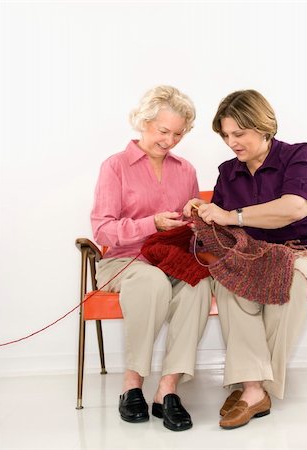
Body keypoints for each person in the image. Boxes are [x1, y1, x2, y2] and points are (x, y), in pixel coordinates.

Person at [184, 89, 307, 430]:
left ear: (263, 127)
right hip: (258, 257)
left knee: (290, 275)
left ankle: (251, 387)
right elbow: (221, 228)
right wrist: (200, 211)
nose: (232, 142)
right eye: (226, 135)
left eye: (239, 133)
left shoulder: (298, 156)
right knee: (231, 282)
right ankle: (253, 387)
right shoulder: (228, 171)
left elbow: (295, 208)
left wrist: (233, 216)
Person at [91, 85, 211, 431]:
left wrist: (195, 214)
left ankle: (167, 390)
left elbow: (190, 227)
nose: (170, 140)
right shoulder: (115, 167)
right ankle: (132, 383)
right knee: (151, 280)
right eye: (163, 131)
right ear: (144, 122)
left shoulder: (185, 170)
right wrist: (150, 223)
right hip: (124, 262)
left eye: (177, 133)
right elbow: (103, 231)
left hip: (171, 258)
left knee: (197, 286)